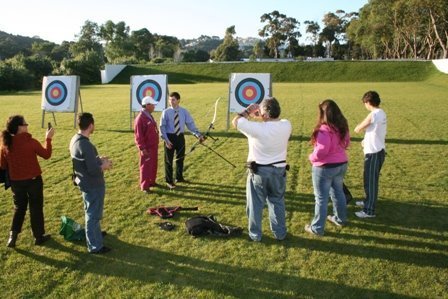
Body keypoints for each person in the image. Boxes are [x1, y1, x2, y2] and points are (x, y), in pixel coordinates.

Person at [232, 98, 291, 242]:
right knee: (277, 202)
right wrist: (261, 115)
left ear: (264, 115)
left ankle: (255, 235)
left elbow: (236, 121)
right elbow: (271, 122)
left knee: (255, 205)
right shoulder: (287, 124)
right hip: (279, 171)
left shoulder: (256, 129)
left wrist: (248, 111)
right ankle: (280, 233)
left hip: (259, 173)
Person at [0, 115, 54, 248]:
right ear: (19, 127)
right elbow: (46, 155)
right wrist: (48, 138)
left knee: (19, 208)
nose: (27, 126)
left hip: (16, 183)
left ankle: (13, 236)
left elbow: (2, 165)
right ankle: (38, 237)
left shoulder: (5, 145)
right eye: (25, 124)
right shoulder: (31, 142)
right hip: (34, 181)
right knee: (36, 208)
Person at [304, 100, 350, 236]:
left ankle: (317, 228)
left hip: (325, 168)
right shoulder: (342, 126)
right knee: (338, 192)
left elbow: (322, 151)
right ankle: (340, 219)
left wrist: (311, 157)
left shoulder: (324, 130)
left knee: (321, 198)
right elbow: (346, 142)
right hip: (341, 164)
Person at [69, 113, 113, 254]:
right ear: (91, 125)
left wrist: (98, 158)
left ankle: (95, 233)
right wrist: (104, 165)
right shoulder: (86, 144)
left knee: (91, 211)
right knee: (93, 215)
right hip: (93, 185)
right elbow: (93, 170)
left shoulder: (75, 139)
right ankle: (95, 246)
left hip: (85, 183)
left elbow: (85, 161)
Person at [159, 92, 204, 189]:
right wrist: (166, 140)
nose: (171, 101)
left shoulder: (184, 112)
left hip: (180, 137)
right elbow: (162, 127)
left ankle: (179, 177)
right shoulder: (165, 112)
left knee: (180, 159)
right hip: (169, 137)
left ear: (178, 100)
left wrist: (198, 135)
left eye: (173, 99)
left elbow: (190, 125)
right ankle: (169, 181)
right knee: (169, 161)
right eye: (170, 100)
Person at [353, 91, 387, 218]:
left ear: (368, 102)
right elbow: (375, 131)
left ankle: (369, 211)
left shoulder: (374, 114)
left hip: (374, 153)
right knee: (368, 179)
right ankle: (368, 201)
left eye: (364, 103)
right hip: (377, 150)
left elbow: (358, 128)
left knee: (371, 181)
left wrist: (358, 128)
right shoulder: (382, 113)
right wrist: (365, 141)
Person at [134, 96, 160, 193]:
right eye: (153, 105)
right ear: (147, 105)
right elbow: (138, 136)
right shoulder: (140, 118)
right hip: (147, 148)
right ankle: (144, 186)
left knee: (153, 164)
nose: (154, 107)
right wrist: (142, 148)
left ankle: (152, 181)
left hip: (153, 146)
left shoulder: (148, 115)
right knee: (145, 166)